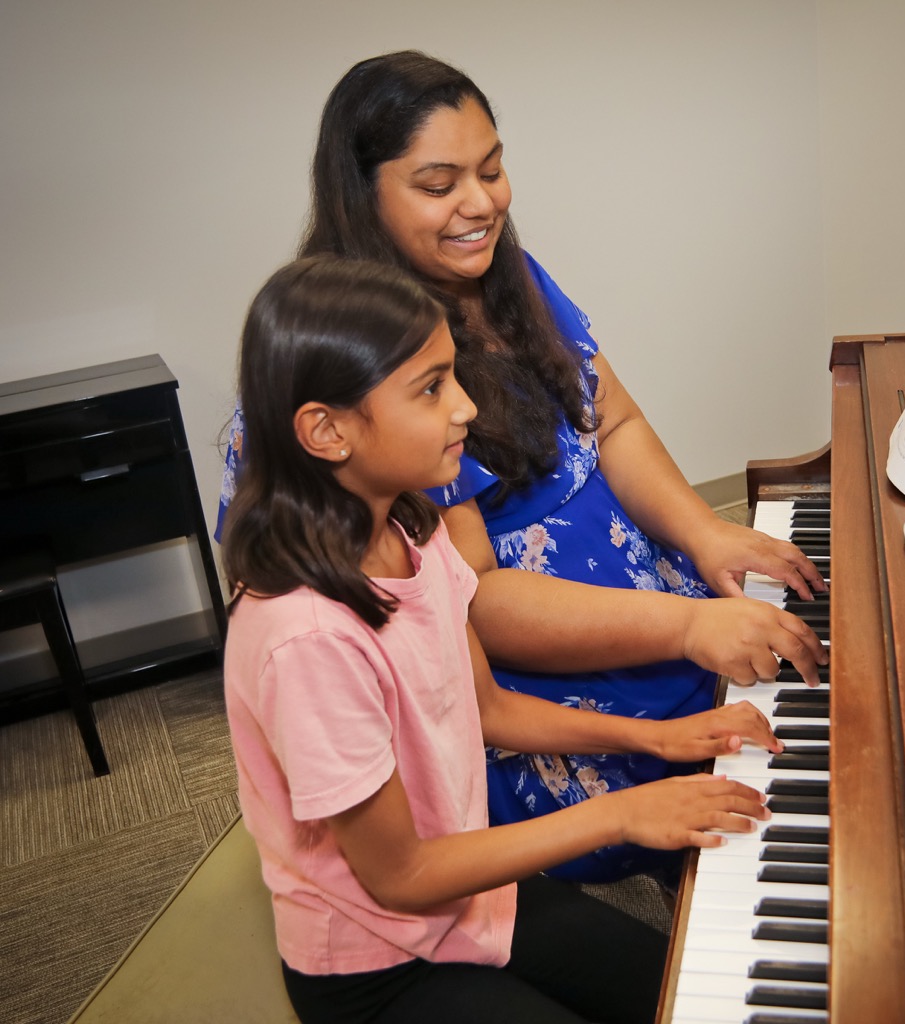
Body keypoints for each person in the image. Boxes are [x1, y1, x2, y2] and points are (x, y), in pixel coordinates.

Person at [219, 50, 828, 883]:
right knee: (780, 760)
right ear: (366, 195)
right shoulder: (386, 374)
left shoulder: (506, 275)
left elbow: (610, 417)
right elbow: (472, 601)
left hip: (644, 603)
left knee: (809, 669)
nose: (482, 204)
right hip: (542, 676)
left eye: (493, 170)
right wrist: (687, 629)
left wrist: (705, 533)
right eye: (440, 186)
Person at [221, 255, 779, 1024]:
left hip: (474, 896)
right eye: (430, 389)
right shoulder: (304, 637)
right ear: (326, 430)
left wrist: (662, 742)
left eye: (454, 377)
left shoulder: (413, 531)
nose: (464, 410)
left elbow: (486, 706)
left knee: (694, 997)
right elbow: (401, 875)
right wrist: (619, 815)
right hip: (383, 963)